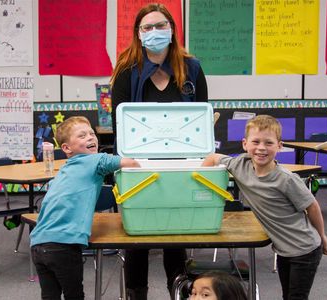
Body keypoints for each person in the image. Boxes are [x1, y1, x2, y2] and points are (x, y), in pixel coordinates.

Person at [110, 3, 208, 299]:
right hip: (137, 166)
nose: (154, 32)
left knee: (176, 234)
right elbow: (119, 122)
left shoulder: (191, 68)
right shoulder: (127, 69)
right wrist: (126, 163)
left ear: (172, 30)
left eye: (160, 25)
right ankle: (136, 294)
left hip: (181, 165)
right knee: (137, 237)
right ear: (138, 34)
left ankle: (177, 292)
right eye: (147, 27)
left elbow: (202, 117)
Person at [202, 115, 327, 300]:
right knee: (287, 295)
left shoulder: (286, 179)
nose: (261, 148)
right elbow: (213, 157)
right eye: (256, 142)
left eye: (268, 143)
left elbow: (312, 206)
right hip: (283, 250)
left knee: (296, 297)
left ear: (279, 146)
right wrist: (204, 185)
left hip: (305, 249)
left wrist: (322, 235)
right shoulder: (239, 164)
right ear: (245, 144)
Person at [30, 116, 139, 299]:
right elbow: (131, 164)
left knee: (50, 296)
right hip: (63, 245)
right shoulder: (95, 160)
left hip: (38, 244)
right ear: (66, 148)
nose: (90, 137)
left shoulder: (64, 169)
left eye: (91, 133)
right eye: (82, 136)